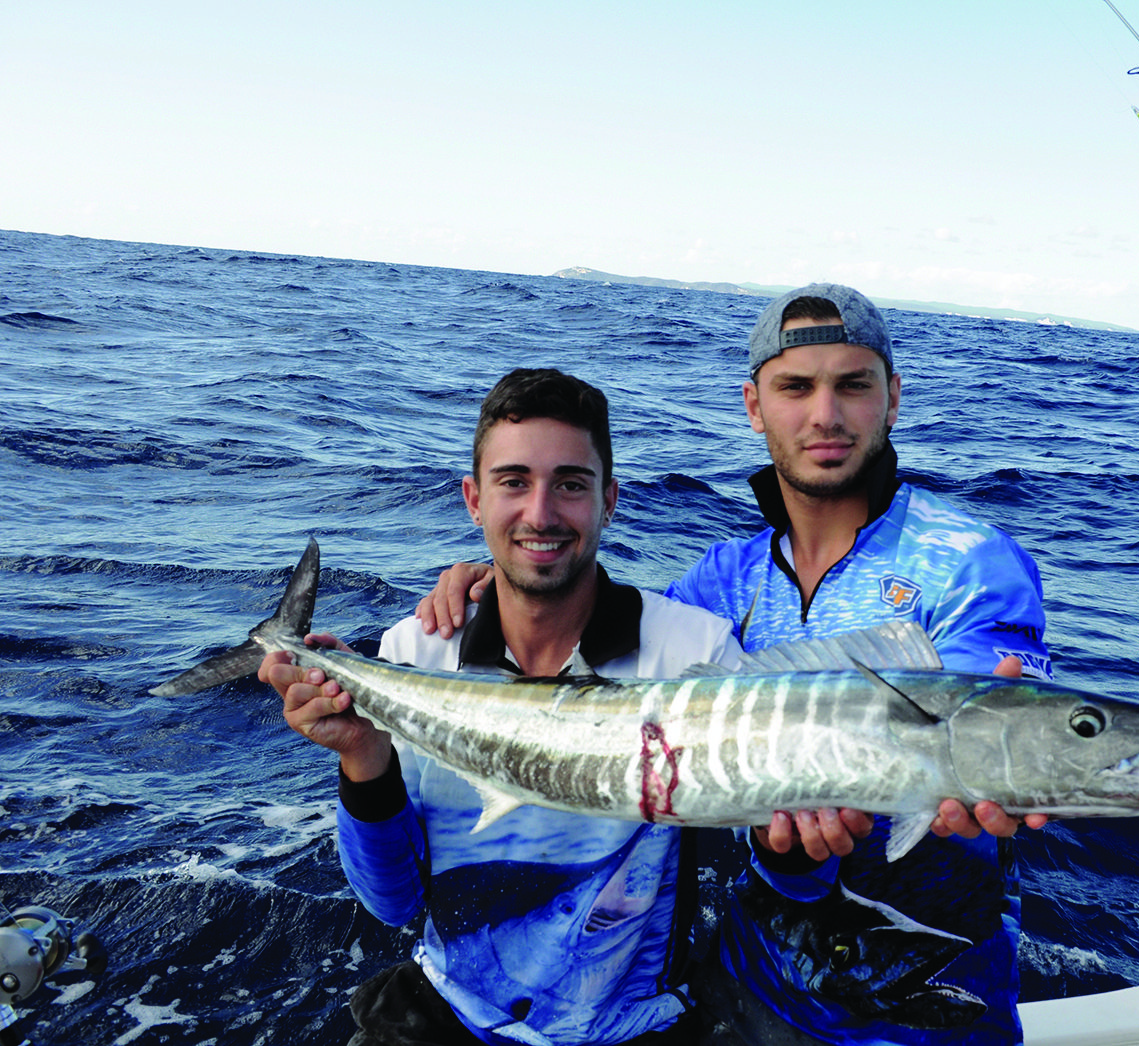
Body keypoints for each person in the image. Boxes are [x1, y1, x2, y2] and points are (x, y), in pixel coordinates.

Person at [418, 285, 1054, 1045]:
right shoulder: (723, 579)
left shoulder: (973, 565)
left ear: (892, 400)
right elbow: (612, 649)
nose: (825, 415)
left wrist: (989, 767)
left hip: (926, 1015)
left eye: (853, 385)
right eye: (796, 387)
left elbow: (974, 744)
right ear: (755, 407)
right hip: (741, 997)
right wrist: (498, 578)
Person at [261, 368, 743, 1046]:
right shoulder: (415, 649)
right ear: (473, 499)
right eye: (513, 482)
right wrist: (362, 757)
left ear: (608, 500)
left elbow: (778, 849)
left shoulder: (695, 652)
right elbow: (392, 904)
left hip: (636, 1028)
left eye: (570, 485)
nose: (540, 514)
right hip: (448, 1014)